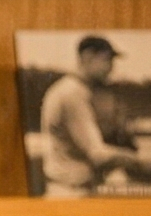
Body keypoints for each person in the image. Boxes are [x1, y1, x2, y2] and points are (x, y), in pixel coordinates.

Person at [37, 35, 145, 196]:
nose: (110, 68)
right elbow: (98, 154)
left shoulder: (75, 90)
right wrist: (140, 160)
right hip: (70, 191)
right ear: (87, 57)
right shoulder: (71, 93)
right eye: (106, 60)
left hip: (73, 188)